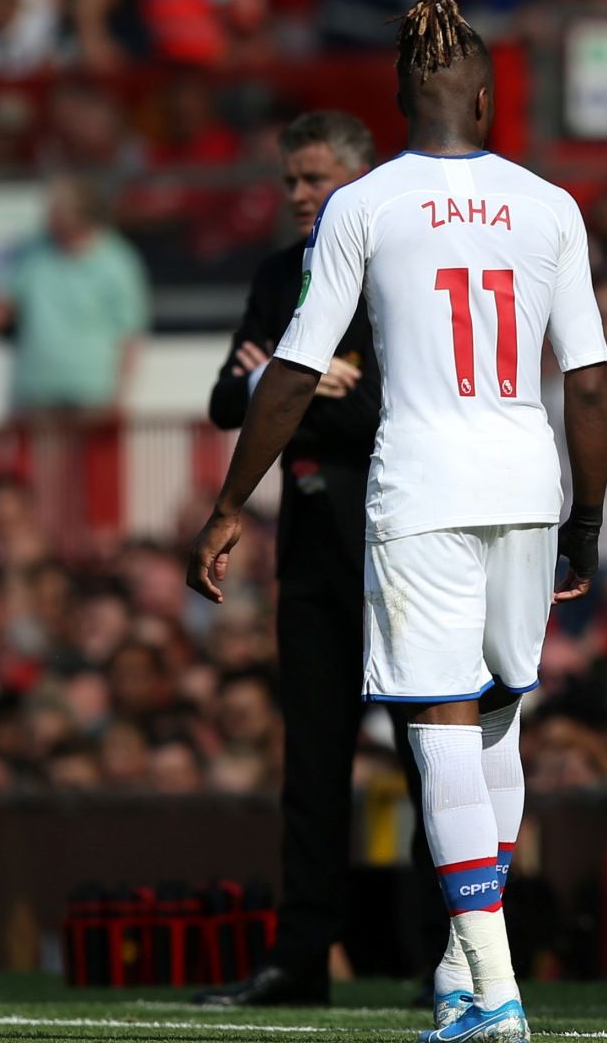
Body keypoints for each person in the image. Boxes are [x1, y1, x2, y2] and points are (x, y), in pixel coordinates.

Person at [186, 0, 607, 1043]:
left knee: (440, 729)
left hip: (422, 490)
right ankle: (467, 972)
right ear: (486, 94)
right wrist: (587, 524)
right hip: (526, 483)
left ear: (401, 95)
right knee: (498, 718)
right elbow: (592, 385)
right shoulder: (550, 204)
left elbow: (288, 375)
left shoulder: (365, 205)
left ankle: (496, 991)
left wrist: (232, 500)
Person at [194, 110, 390, 1007]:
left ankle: (449, 955)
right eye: (292, 182)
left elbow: (383, 413)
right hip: (310, 548)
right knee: (311, 763)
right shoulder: (282, 274)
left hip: (389, 541)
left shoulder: (396, 268)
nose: (301, 196)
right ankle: (300, 958)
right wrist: (309, 374)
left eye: (315, 178)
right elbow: (226, 401)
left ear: (359, 177)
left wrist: (285, 378)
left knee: (434, 755)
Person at [0, 175, 151, 412]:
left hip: (93, 396)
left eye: (56, 208)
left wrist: (119, 398)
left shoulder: (118, 261)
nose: (48, 214)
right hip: (36, 393)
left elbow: (130, 335)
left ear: (80, 213)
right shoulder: (32, 251)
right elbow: (1, 307)